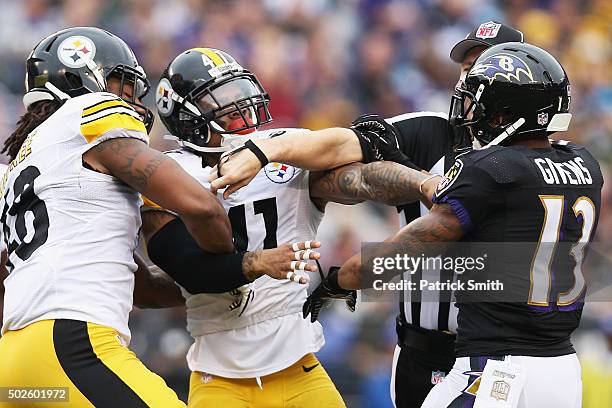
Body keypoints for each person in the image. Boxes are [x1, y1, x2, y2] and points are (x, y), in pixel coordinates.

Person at [211, 20, 525, 407]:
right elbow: (340, 144)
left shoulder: (535, 155)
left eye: (483, 65)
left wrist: (349, 276)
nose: (469, 78)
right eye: (466, 67)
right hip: (421, 345)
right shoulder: (430, 131)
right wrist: (265, 151)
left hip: (504, 349)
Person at [143, 47, 432, 408]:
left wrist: (422, 183)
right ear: (186, 115)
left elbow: (358, 162)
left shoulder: (282, 148)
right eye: (222, 100)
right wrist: (259, 262)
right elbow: (188, 267)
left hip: (301, 369)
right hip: (219, 377)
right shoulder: (167, 175)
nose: (241, 108)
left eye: (239, 94)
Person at [337, 42, 601, 408]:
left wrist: (338, 280)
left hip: (497, 368)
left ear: (503, 112)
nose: (471, 110)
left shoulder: (491, 169)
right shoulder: (585, 164)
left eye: (479, 101)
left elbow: (400, 255)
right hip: (561, 371)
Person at [0, 27, 238, 408]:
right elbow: (201, 207)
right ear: (83, 74)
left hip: (14, 366)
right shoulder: (86, 113)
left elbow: (140, 289)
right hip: (73, 343)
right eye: (123, 87)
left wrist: (213, 286)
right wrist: (235, 261)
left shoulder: (21, 166)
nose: (131, 101)